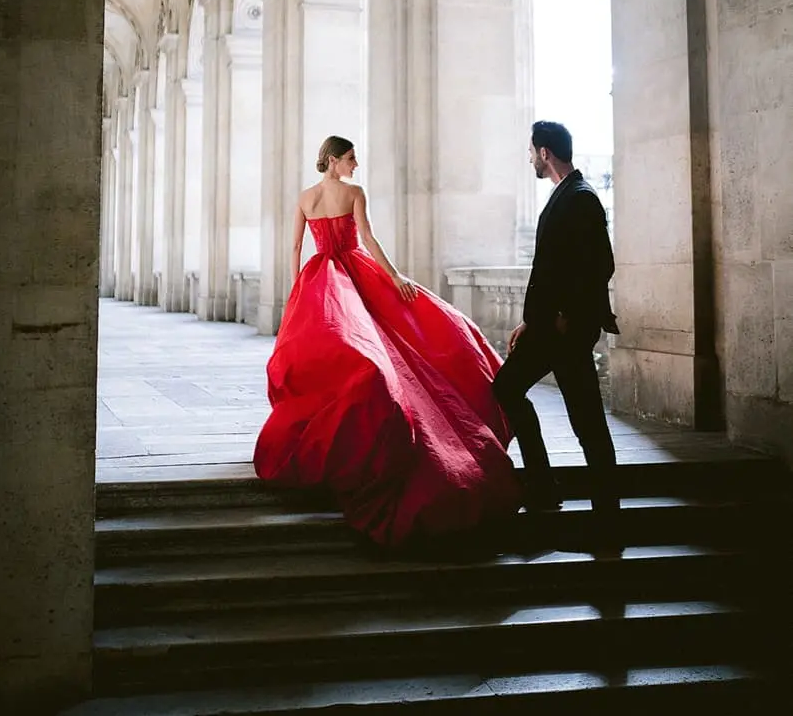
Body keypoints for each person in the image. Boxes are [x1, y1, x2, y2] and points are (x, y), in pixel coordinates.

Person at [254, 135, 522, 546]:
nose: (355, 164)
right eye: (350, 158)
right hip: (354, 270)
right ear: (333, 160)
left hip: (320, 276)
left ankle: (342, 432)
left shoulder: (306, 198)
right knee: (386, 338)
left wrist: (297, 289)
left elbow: (294, 247)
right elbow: (368, 239)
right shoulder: (354, 193)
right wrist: (394, 277)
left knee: (338, 350)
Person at [492, 121, 619, 517]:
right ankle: (550, 489)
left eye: (532, 152)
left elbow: (599, 264)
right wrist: (532, 321)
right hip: (550, 327)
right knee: (517, 393)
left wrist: (566, 315)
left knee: (583, 419)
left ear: (544, 153)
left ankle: (590, 503)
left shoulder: (580, 198)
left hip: (564, 330)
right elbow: (552, 269)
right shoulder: (567, 194)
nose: (530, 158)